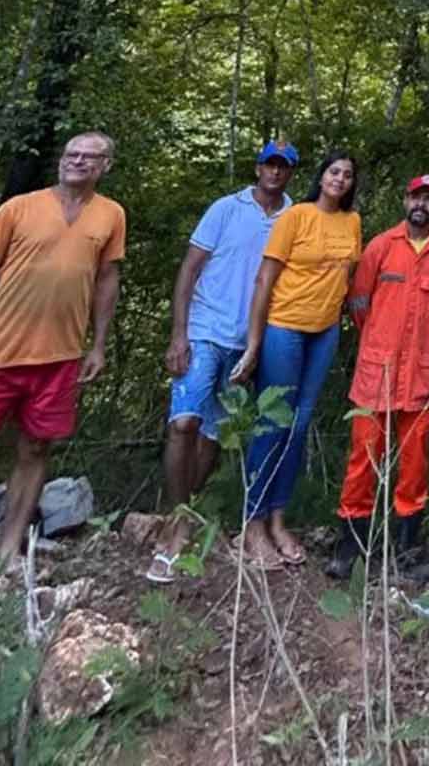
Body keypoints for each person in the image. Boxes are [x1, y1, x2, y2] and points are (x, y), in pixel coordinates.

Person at [144, 140, 297, 582]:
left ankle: (189, 512)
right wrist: (179, 332)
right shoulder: (225, 209)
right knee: (184, 422)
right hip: (206, 331)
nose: (275, 172)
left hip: (251, 340)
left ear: (290, 173)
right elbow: (190, 268)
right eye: (269, 163)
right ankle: (177, 522)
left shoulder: (293, 218)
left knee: (215, 433)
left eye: (283, 166)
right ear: (257, 167)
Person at [0, 130, 127, 579]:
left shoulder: (111, 215)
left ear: (105, 167)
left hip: (60, 356)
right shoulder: (18, 208)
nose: (77, 161)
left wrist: (97, 345)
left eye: (89, 156)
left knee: (36, 447)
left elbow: (107, 279)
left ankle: (9, 548)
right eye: (71, 153)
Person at [230, 151, 363, 567]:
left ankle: (278, 519)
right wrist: (254, 343)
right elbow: (265, 277)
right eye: (334, 172)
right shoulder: (296, 216)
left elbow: (348, 279)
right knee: (274, 420)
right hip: (284, 327)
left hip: (324, 332)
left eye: (347, 175)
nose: (340, 179)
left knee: (300, 424)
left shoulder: (352, 223)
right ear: (321, 177)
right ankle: (251, 523)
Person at [326, 174, 429, 582]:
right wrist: (381, 339)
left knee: (415, 464)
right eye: (416, 197)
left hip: (420, 377)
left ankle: (409, 548)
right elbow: (360, 302)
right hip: (376, 373)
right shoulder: (381, 246)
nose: (422, 205)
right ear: (405, 200)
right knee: (363, 459)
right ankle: (351, 544)